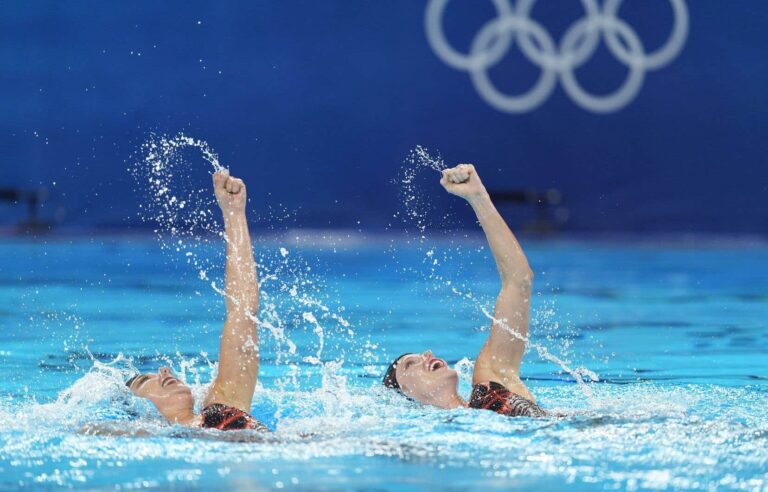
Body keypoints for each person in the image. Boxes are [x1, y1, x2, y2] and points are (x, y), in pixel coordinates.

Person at [382, 163, 546, 418]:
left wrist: (478, 197)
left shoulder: (491, 385)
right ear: (406, 392)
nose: (427, 354)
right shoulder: (426, 439)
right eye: (410, 364)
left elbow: (519, 281)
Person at [123, 170, 268, 431]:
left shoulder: (221, 404)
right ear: (143, 409)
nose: (165, 372)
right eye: (146, 380)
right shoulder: (148, 436)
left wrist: (233, 213)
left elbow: (243, 311)